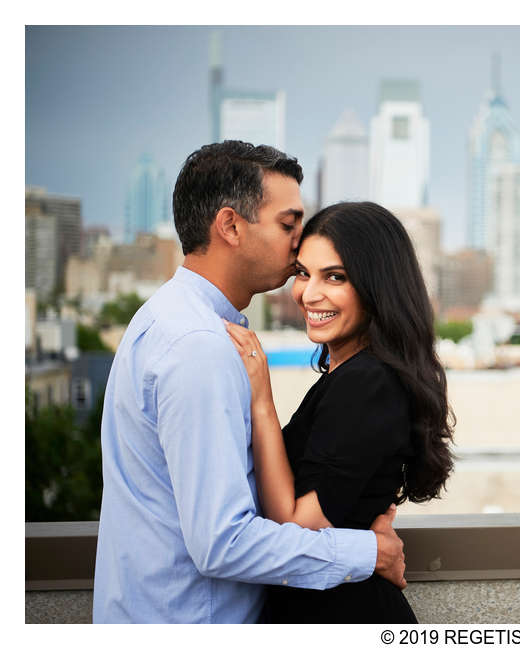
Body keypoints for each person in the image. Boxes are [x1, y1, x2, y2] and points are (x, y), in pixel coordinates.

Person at [93, 142, 406, 624]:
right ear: (231, 226)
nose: (299, 242)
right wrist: (369, 552)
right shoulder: (198, 345)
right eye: (288, 224)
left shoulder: (165, 318)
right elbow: (223, 543)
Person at [223, 201, 454, 623]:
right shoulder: (352, 374)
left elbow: (295, 526)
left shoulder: (367, 382)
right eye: (303, 273)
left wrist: (261, 401)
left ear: (375, 285)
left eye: (335, 277)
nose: (309, 294)